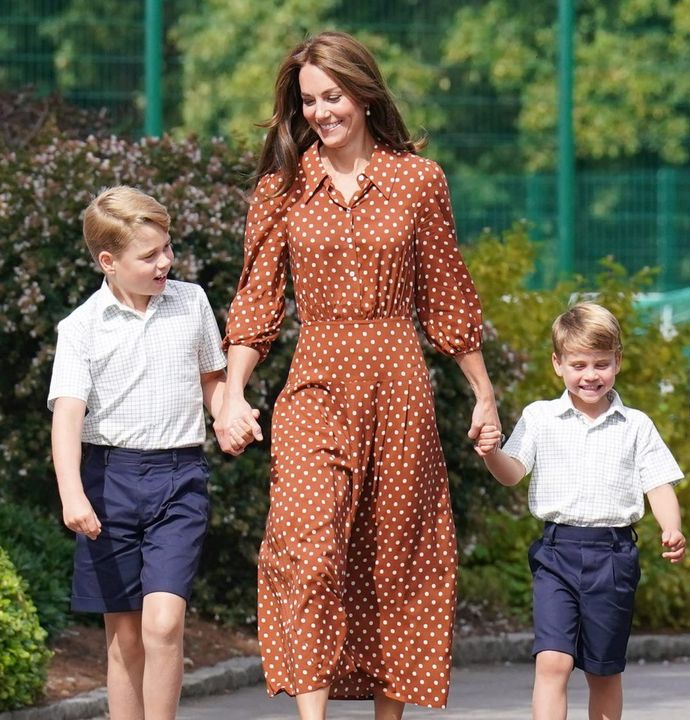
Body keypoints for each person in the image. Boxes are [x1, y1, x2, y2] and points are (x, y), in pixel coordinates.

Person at [214, 31, 500, 720]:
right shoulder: (281, 189)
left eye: (333, 96)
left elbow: (447, 294)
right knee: (307, 550)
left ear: (365, 94)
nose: (320, 112)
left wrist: (484, 393)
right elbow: (257, 301)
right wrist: (231, 392)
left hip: (399, 383)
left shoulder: (418, 180)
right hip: (314, 385)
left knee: (394, 560)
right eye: (308, 100)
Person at [48, 186, 259, 720]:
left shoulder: (190, 303)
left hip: (178, 476)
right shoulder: (81, 328)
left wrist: (227, 413)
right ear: (109, 262)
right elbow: (68, 415)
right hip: (107, 480)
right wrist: (73, 495)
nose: (165, 261)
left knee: (163, 624)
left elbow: (212, 380)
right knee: (124, 639)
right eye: (149, 255)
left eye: (167, 248)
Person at [474, 302, 686, 720]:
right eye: (579, 364)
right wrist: (490, 453)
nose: (590, 375)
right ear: (558, 364)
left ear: (617, 363)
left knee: (603, 672)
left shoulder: (636, 425)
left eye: (601, 364)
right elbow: (513, 472)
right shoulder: (540, 417)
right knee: (552, 660)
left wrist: (671, 527)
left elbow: (657, 483)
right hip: (556, 553)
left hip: (613, 557)